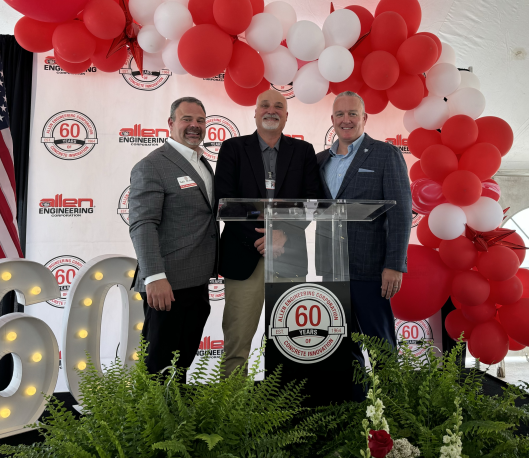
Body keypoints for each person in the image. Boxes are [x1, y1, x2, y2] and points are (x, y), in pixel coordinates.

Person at [215, 89, 320, 376]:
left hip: (289, 255)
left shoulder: (304, 151)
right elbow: (225, 200)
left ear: (286, 115)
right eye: (265, 105)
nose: (271, 110)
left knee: (290, 341)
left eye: (278, 106)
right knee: (237, 341)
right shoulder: (233, 148)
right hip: (243, 256)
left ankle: (283, 412)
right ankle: (232, 412)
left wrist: (281, 234)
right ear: (256, 112)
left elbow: (313, 200)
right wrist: (263, 237)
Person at [316, 90, 412, 368]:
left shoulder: (386, 154)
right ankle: (354, 406)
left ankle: (391, 409)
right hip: (330, 269)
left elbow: (401, 213)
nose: (346, 120)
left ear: (364, 118)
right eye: (340, 114)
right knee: (342, 347)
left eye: (352, 113)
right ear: (332, 119)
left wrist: (394, 264)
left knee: (381, 347)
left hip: (371, 268)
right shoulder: (320, 160)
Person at [128, 96, 218, 380]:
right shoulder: (152, 165)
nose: (194, 126)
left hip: (197, 281)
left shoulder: (202, 162)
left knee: (182, 364)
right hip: (167, 284)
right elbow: (143, 224)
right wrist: (154, 277)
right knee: (159, 366)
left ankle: (175, 420)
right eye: (187, 119)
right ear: (170, 123)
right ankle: (154, 423)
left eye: (200, 120)